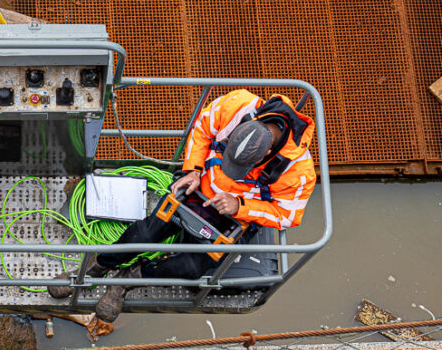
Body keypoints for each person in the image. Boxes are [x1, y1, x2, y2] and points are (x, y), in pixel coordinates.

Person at [49, 88, 317, 321]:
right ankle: (96, 268)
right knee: (144, 233)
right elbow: (202, 129)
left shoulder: (299, 171)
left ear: (268, 153)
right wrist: (193, 170)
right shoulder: (239, 105)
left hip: (231, 221)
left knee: (192, 268)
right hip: (195, 191)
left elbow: (288, 214)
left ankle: (130, 279)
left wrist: (240, 207)